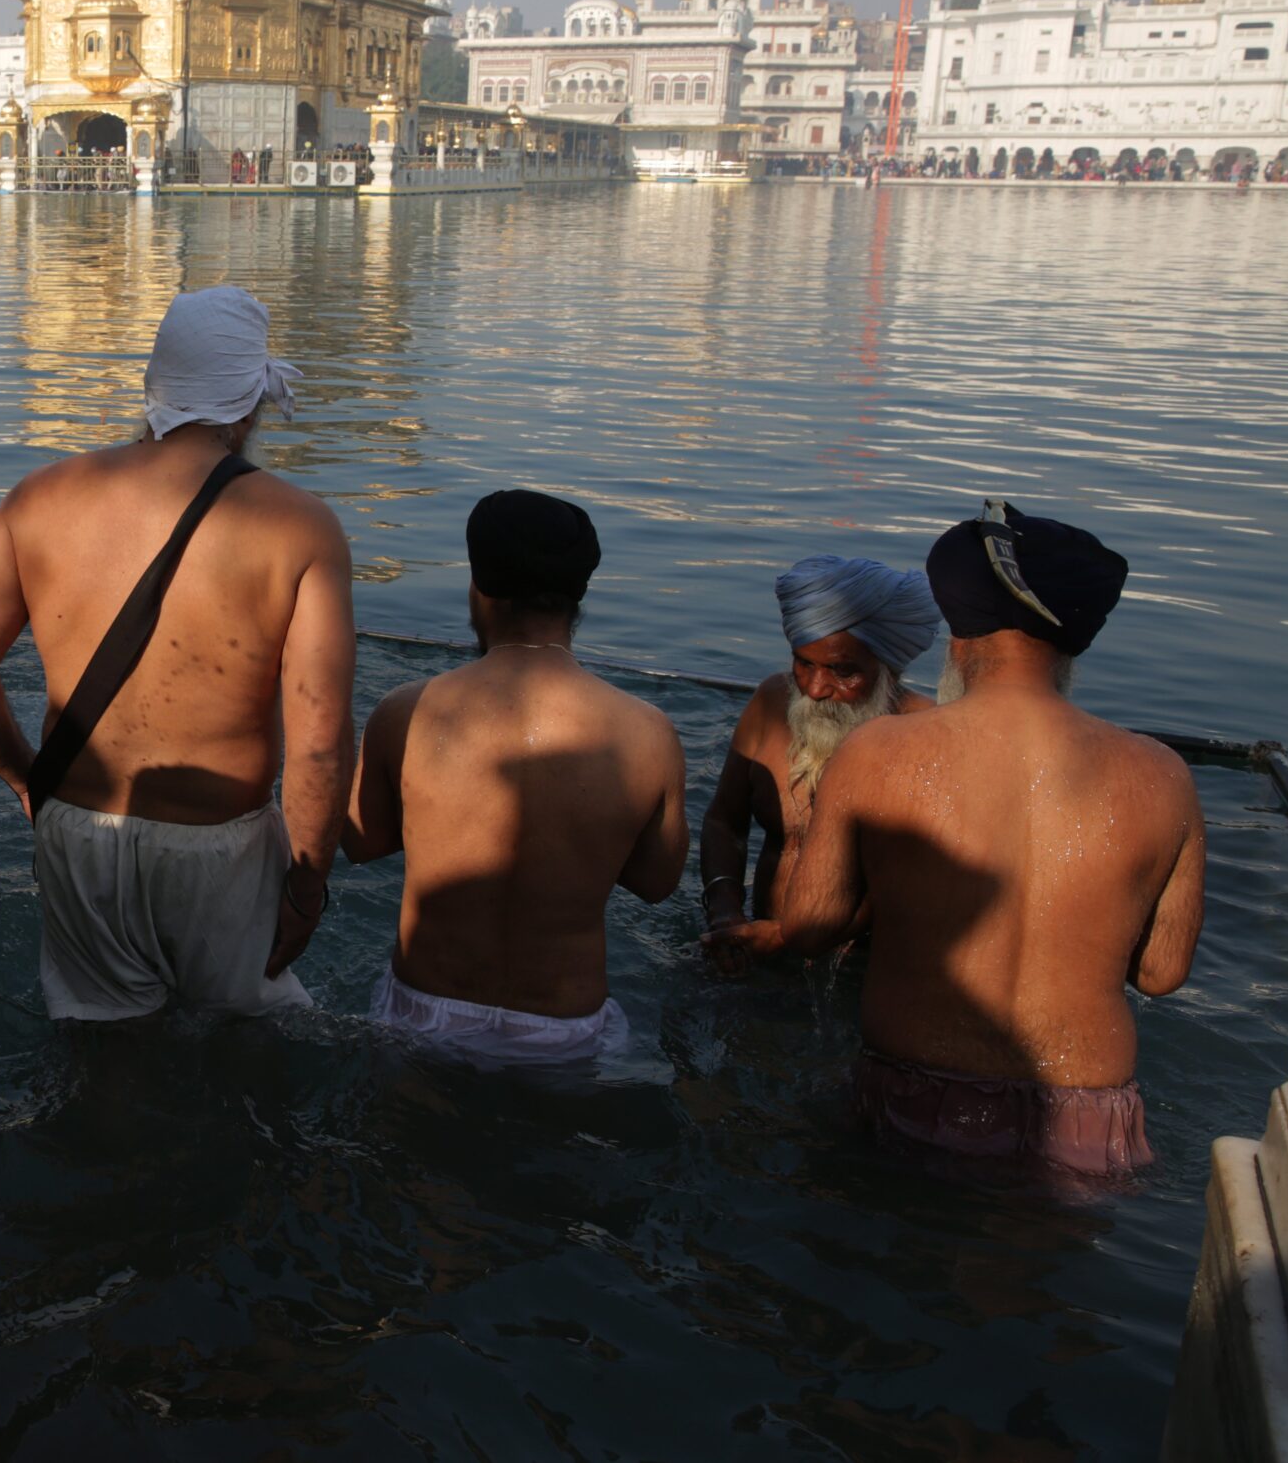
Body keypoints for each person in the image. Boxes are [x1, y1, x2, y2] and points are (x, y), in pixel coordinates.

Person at [0, 286, 354, 1021]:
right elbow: (319, 741)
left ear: (154, 389)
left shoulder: (38, 496)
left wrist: (28, 781)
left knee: (105, 1065)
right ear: (250, 404)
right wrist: (307, 885)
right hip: (219, 850)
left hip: (77, 830)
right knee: (237, 1062)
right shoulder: (300, 527)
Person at [776, 502, 1204, 1174]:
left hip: (910, 1099)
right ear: (1073, 644)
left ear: (959, 636)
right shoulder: (1163, 775)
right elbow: (1161, 972)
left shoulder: (878, 752)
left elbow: (806, 925)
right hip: (1088, 1124)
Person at [343, 491, 688, 1065]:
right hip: (564, 1029)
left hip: (423, 1013)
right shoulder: (648, 735)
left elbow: (359, 842)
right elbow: (657, 884)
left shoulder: (406, 711)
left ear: (481, 592)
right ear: (577, 599)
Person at [700, 555, 938, 969]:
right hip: (756, 944)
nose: (814, 688)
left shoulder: (924, 736)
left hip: (859, 967)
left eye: (842, 672)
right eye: (803, 663)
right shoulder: (772, 701)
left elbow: (910, 881)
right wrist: (725, 910)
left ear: (888, 670)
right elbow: (725, 820)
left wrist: (787, 937)